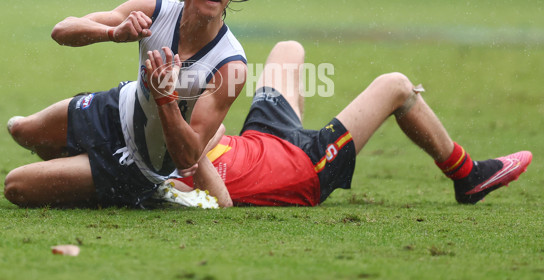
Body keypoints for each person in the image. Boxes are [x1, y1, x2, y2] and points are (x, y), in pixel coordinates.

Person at [4, 0, 279, 208]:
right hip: (115, 108)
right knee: (20, 130)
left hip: (141, 164)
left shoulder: (231, 65)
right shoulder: (153, 11)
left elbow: (187, 157)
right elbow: (62, 31)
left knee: (16, 187)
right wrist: (112, 33)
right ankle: (83, 168)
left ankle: (143, 188)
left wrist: (165, 97)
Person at [170, 40, 532, 207]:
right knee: (395, 86)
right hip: (306, 167)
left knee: (288, 50)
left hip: (263, 139)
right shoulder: (170, 181)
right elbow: (221, 200)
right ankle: (467, 176)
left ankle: (313, 133)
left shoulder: (158, 143)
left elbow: (212, 130)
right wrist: (191, 144)